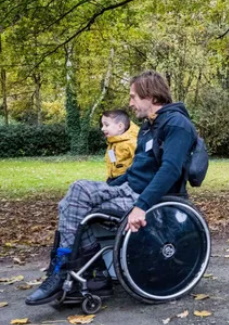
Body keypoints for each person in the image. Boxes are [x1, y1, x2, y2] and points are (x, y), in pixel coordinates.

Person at [26, 71, 199, 306]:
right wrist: (106, 187)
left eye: (133, 96)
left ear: (151, 96)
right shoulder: (149, 127)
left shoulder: (177, 124)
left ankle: (70, 272)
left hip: (151, 198)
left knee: (77, 200)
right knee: (76, 196)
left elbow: (169, 171)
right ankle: (83, 271)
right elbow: (135, 171)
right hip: (129, 188)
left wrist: (141, 207)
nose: (130, 103)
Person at [101, 109, 139, 183]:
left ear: (120, 126)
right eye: (102, 125)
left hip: (126, 180)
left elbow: (138, 164)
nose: (102, 128)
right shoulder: (112, 143)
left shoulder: (132, 143)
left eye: (106, 125)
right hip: (112, 178)